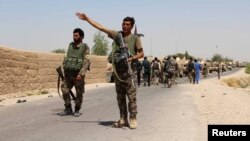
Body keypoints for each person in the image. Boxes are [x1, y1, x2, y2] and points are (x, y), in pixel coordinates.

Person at [76, 12, 144, 129]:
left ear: (132, 26)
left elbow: (141, 53)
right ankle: (123, 118)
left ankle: (133, 118)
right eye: (123, 24)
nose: (124, 26)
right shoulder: (117, 35)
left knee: (131, 97)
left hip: (129, 73)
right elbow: (102, 28)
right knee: (120, 97)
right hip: (118, 73)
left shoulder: (135, 38)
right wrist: (87, 19)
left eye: (127, 25)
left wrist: (132, 58)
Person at [59, 28, 90, 117]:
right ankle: (68, 108)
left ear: (81, 37)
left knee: (79, 92)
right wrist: (65, 68)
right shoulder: (70, 45)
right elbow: (66, 58)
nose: (74, 37)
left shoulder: (85, 47)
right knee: (64, 89)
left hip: (78, 75)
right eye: (73, 35)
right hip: (68, 74)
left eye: (76, 35)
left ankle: (77, 109)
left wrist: (81, 73)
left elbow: (86, 61)